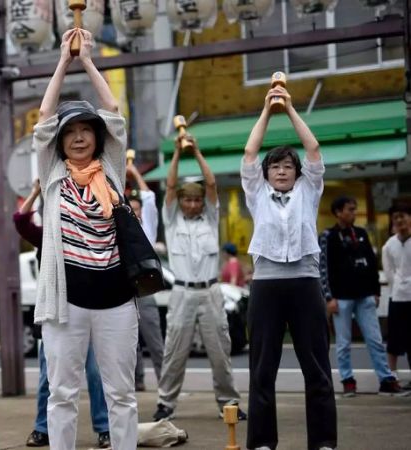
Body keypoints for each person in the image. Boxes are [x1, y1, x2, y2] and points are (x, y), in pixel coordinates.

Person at [33, 28, 138, 450]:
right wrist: (63, 62)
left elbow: (112, 110)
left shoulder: (111, 169)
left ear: (97, 138)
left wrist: (88, 60)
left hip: (116, 299)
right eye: (69, 132)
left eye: (85, 130)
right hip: (66, 300)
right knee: (61, 394)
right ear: (60, 142)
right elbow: (42, 119)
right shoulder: (52, 175)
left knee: (122, 395)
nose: (78, 137)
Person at [242, 85, 336, 450]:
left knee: (317, 369)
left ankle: (324, 442)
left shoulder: (309, 190)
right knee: (262, 369)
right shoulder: (256, 193)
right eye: (275, 166)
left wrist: (290, 109)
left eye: (287, 166)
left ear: (298, 173)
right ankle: (263, 443)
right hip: (266, 284)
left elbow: (313, 150)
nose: (281, 171)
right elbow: (250, 152)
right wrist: (267, 109)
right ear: (265, 174)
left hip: (305, 282)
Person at [153, 133, 244, 422]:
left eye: (196, 200)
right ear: (179, 202)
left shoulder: (210, 218)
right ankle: (165, 404)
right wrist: (179, 153)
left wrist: (198, 151)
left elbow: (213, 184)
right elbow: (169, 185)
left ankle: (228, 403)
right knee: (174, 351)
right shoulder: (171, 219)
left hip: (211, 292)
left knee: (220, 351)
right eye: (187, 200)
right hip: (181, 293)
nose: (192, 204)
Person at [15, 180, 111, 449]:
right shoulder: (46, 235)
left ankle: (104, 428)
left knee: (95, 373)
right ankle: (42, 429)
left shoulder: (88, 233)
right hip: (55, 314)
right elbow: (21, 221)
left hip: (89, 311)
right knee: (49, 377)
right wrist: (36, 191)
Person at [320, 196, 404, 396]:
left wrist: (375, 291)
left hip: (364, 295)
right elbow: (322, 268)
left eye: (354, 209)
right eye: (350, 209)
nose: (353, 213)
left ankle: (386, 380)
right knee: (343, 343)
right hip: (341, 297)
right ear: (338, 212)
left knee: (374, 339)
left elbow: (372, 263)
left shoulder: (361, 233)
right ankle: (347, 380)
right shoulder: (327, 236)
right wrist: (328, 297)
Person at [126, 163, 165, 393]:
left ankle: (165, 384)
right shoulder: (122, 227)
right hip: (125, 289)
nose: (136, 212)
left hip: (146, 289)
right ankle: (137, 381)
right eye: (132, 209)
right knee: (131, 343)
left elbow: (149, 197)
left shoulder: (147, 227)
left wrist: (134, 173)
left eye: (138, 209)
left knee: (154, 341)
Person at [383, 203, 411, 390]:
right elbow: (389, 273)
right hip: (398, 298)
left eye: (403, 216)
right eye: (396, 217)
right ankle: (392, 378)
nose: (399, 220)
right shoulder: (389, 245)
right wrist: (399, 287)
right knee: (394, 341)